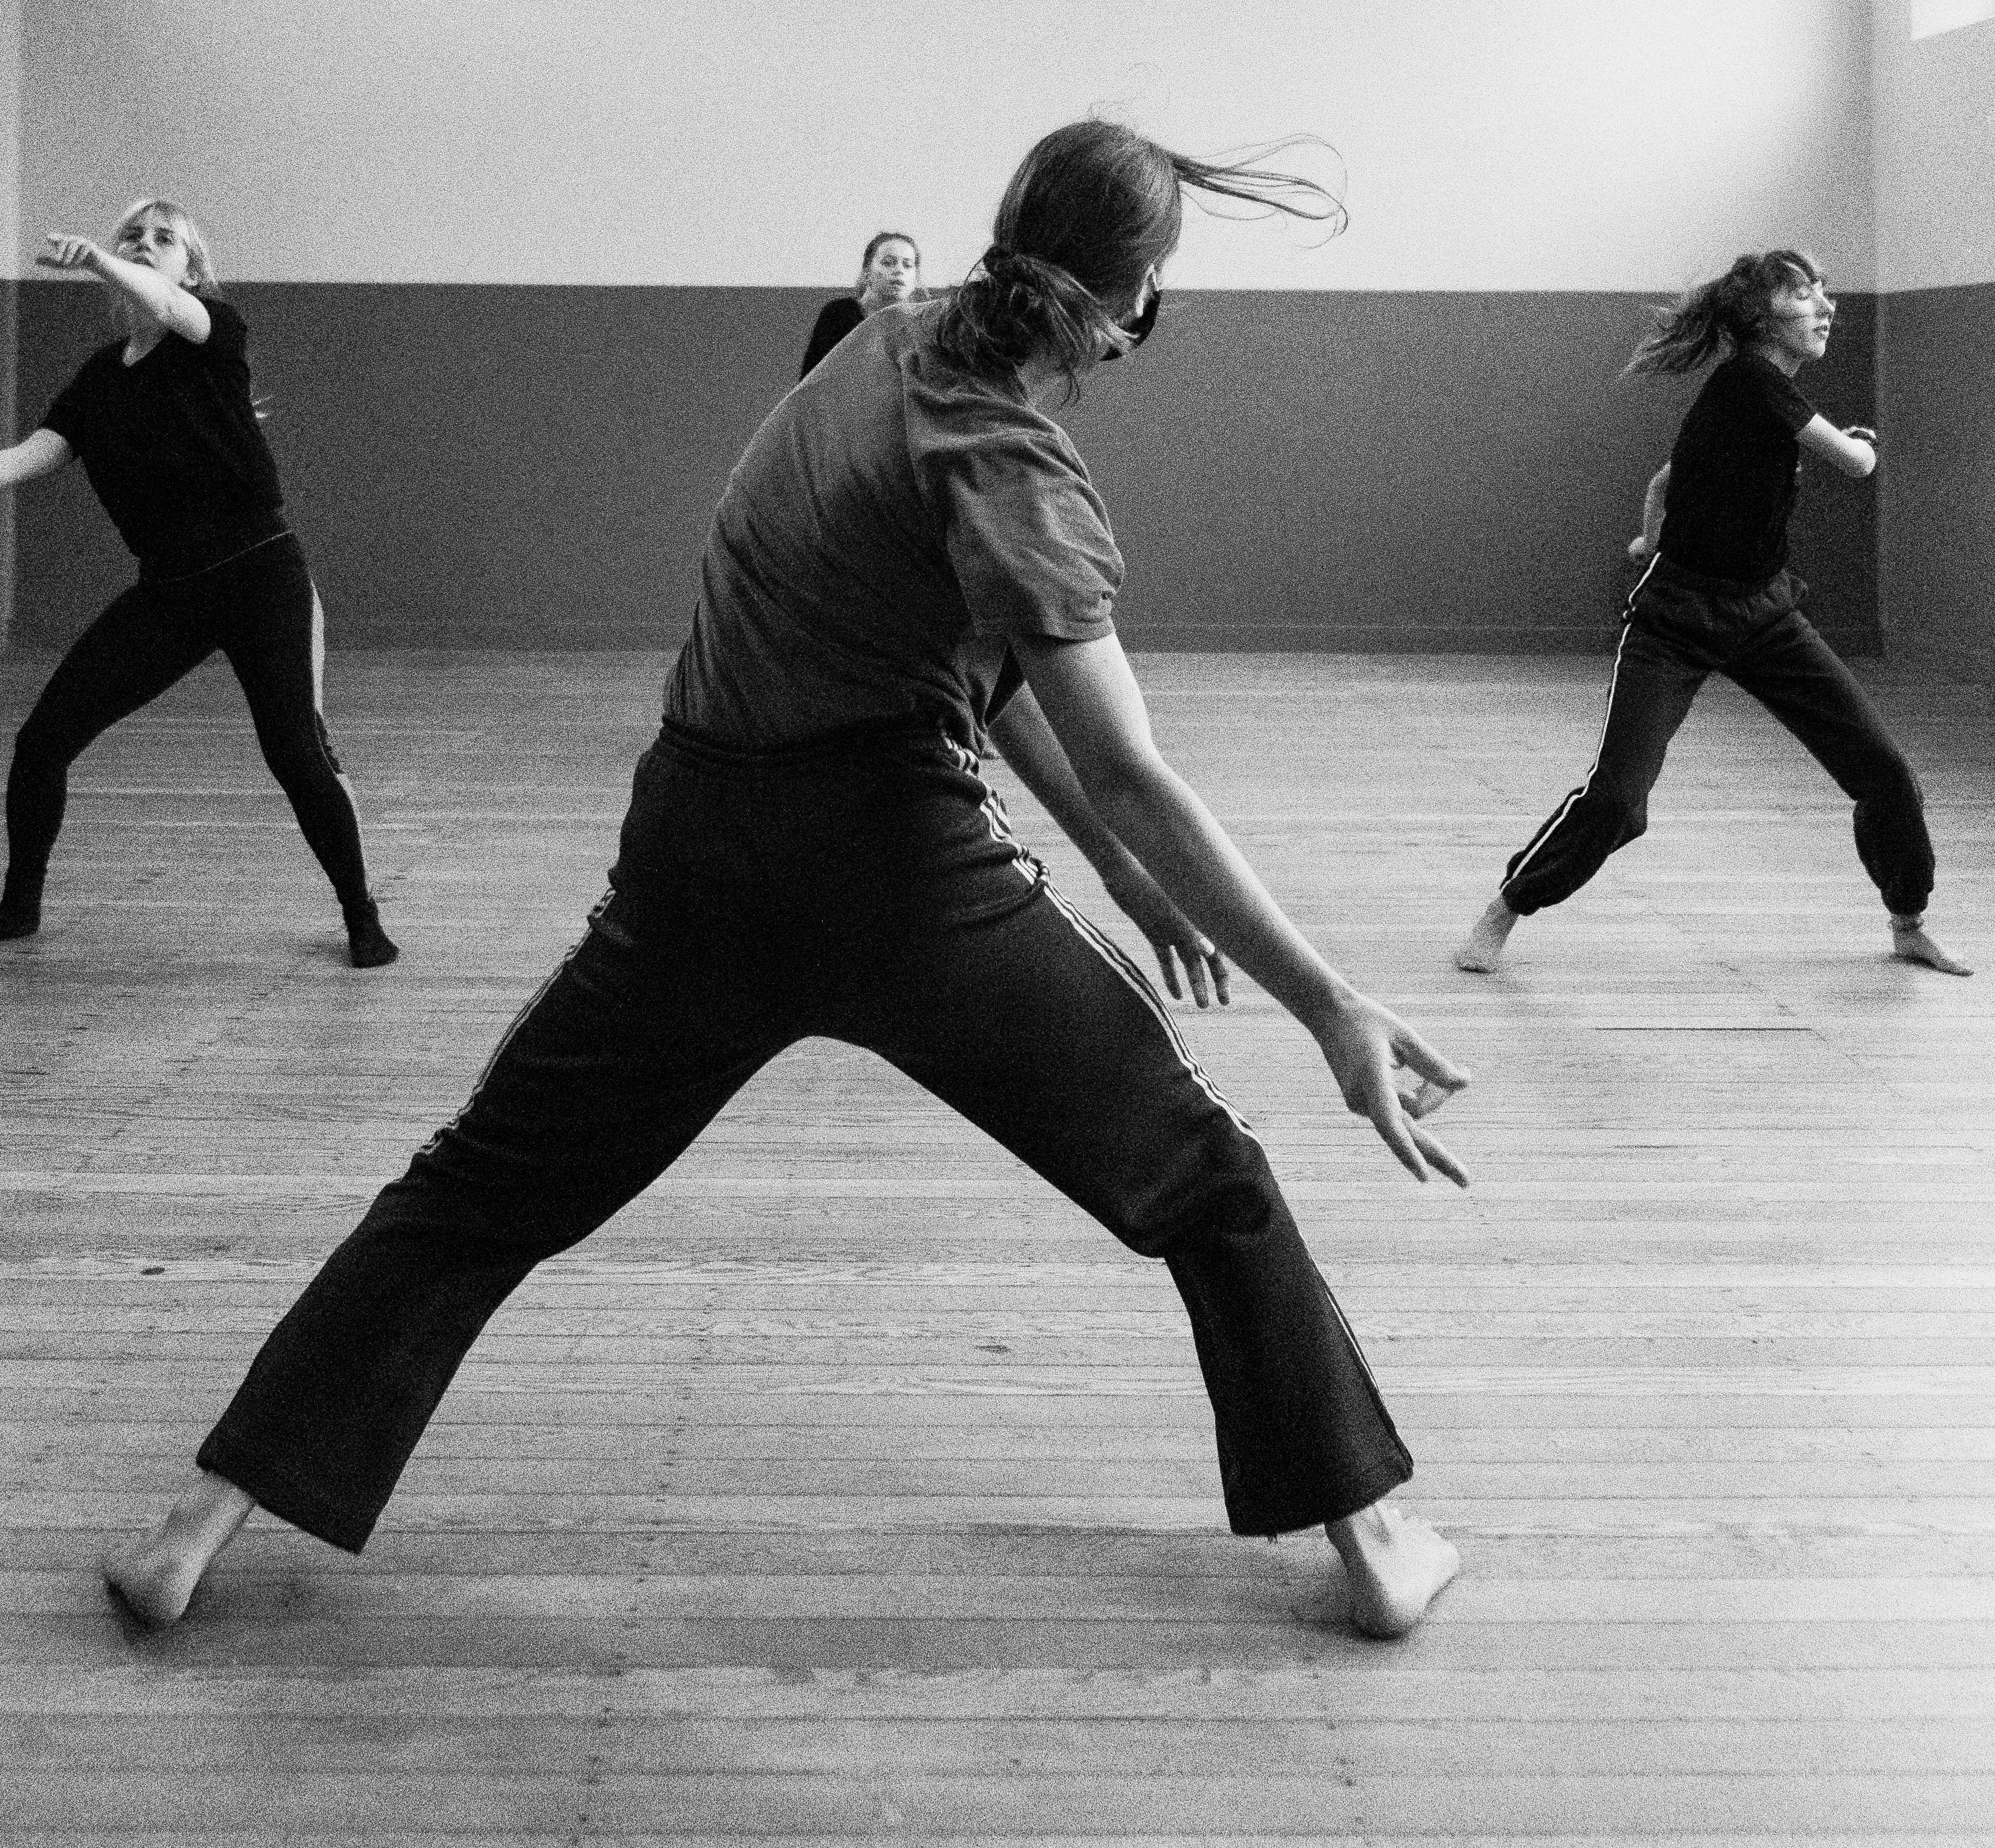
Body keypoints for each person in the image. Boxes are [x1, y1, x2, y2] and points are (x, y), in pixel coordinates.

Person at [105, 121, 1467, 1644]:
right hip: (897, 872)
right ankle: (1374, 1541)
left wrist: (1119, 877)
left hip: (692, 841)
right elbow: (1132, 758)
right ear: (1134, 298)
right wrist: (1329, 1003)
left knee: (478, 1188)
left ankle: (193, 1526)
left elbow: (979, 663)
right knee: (1204, 1180)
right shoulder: (1014, 458)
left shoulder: (873, 350)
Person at [0, 200, 398, 970]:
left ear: (190, 269)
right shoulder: (99, 380)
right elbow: (34, 456)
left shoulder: (214, 330)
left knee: (295, 752)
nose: (145, 245)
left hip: (261, 573)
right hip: (171, 591)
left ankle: (361, 917)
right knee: (43, 740)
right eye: (132, 235)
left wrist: (102, 260)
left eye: (164, 239)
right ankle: (19, 906)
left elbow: (171, 309)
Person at [1457, 250, 1969, 980]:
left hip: (1763, 615)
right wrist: (1860, 443)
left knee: (1883, 772)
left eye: (1827, 294)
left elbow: (1664, 480)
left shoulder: (1753, 398)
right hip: (1673, 625)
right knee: (1619, 800)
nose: (1827, 308)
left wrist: (1652, 537)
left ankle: (1908, 922)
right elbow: (1855, 466)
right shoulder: (1755, 380)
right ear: (1761, 318)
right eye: (1805, 296)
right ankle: (1507, 906)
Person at [798, 229, 922, 378]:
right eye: (888, 263)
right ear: (867, 272)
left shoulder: (920, 324)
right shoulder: (840, 314)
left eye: (907, 265)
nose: (899, 270)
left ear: (916, 279)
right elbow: (814, 381)